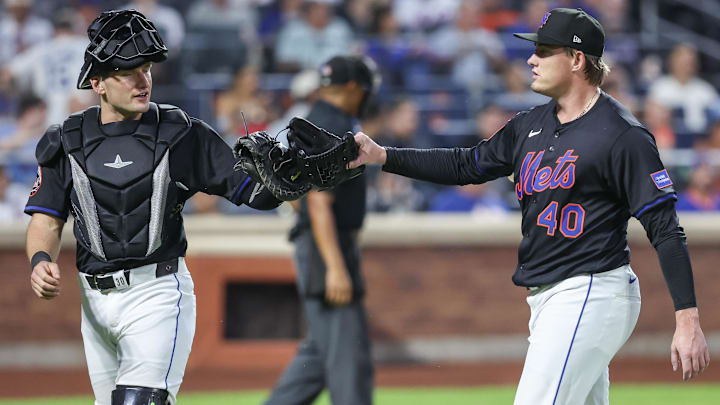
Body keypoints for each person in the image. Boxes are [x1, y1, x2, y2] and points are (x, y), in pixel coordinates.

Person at [349, 8, 710, 405]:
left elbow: (665, 227)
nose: (531, 59)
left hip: (590, 290)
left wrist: (686, 317)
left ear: (576, 59)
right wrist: (384, 156)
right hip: (548, 295)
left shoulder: (623, 135)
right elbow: (465, 164)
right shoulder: (529, 125)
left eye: (543, 51)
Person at [24, 10, 281, 405]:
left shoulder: (182, 133)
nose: (143, 80)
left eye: (145, 68)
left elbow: (255, 193)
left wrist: (289, 176)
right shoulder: (67, 139)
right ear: (98, 83)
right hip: (93, 302)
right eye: (128, 71)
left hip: (157, 291)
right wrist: (40, 258)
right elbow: (47, 216)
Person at [264, 55, 379, 405]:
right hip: (326, 247)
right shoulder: (333, 127)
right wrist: (335, 267)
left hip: (315, 241)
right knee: (350, 360)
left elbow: (295, 195)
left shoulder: (311, 121)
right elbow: (317, 201)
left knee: (316, 360)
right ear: (353, 88)